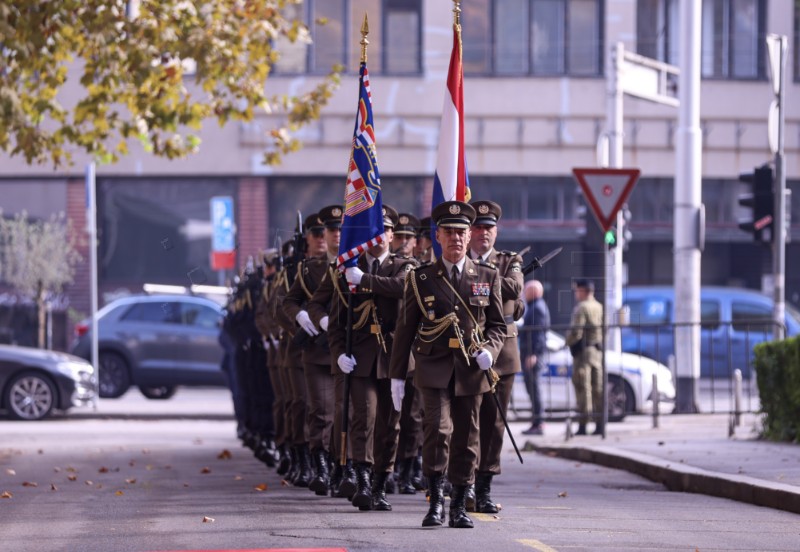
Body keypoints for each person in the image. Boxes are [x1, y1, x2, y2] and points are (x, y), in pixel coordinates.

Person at [389, 200, 506, 529]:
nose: (456, 238)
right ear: (438, 236)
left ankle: (459, 503)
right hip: (433, 367)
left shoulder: (487, 275)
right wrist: (397, 376)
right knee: (437, 431)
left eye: (461, 233)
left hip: (471, 369)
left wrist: (491, 351)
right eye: (449, 232)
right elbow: (405, 330)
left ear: (469, 237)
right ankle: (435, 501)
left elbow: (497, 325)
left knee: (467, 437)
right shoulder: (421, 278)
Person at [467, 199, 524, 514]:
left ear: (496, 231)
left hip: (501, 354)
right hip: (465, 350)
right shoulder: (458, 259)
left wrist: (478, 282)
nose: (483, 233)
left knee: (494, 424)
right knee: (467, 420)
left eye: (488, 228)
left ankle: (485, 487)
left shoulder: (509, 260)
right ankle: (464, 483)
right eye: (477, 227)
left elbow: (516, 289)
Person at [282, 205, 343, 496]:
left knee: (349, 413)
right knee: (320, 411)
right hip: (318, 353)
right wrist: (301, 318)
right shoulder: (309, 269)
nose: (334, 236)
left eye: (340, 230)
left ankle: (343, 468)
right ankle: (320, 465)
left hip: (352, 353)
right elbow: (288, 302)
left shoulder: (356, 266)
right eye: (330, 231)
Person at [565, 279, 604, 436]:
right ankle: (600, 424)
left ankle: (583, 424)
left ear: (582, 291)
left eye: (577, 291)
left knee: (583, 388)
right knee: (597, 388)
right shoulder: (599, 306)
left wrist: (567, 342)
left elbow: (576, 332)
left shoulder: (582, 308)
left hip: (583, 353)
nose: (576, 294)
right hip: (597, 351)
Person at [520, 280, 550, 436]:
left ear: (535, 292)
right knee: (532, 389)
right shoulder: (534, 307)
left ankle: (539, 423)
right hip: (531, 353)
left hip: (533, 355)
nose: (524, 293)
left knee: (534, 388)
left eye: (527, 290)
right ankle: (536, 422)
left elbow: (537, 334)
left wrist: (533, 354)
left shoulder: (537, 308)